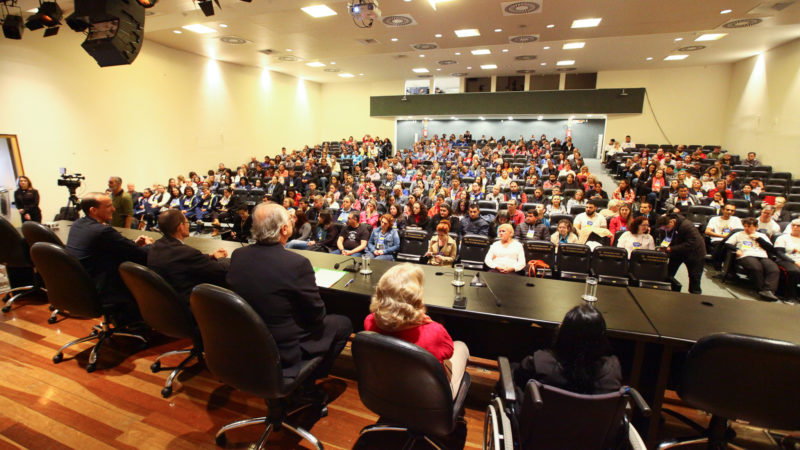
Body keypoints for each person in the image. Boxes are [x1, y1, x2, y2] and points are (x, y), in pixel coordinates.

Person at [226, 203, 352, 395]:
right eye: (289, 219)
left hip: (249, 342)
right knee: (344, 323)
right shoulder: (297, 263)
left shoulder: (238, 255)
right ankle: (306, 380)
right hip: (283, 349)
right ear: (284, 230)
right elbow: (317, 316)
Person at [364, 264, 469, 397]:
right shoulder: (435, 331)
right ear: (415, 299)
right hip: (429, 398)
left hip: (386, 390)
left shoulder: (369, 321)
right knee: (461, 346)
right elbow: (448, 352)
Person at [66, 193, 153, 324]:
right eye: (108, 206)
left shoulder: (78, 224)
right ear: (93, 210)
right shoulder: (103, 231)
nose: (113, 209)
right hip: (102, 288)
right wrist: (150, 245)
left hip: (81, 286)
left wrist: (132, 244)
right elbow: (141, 255)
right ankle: (139, 321)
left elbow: (113, 247)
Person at [512, 305, 621, 395]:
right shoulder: (613, 370)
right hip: (593, 422)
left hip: (543, 421)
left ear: (564, 334)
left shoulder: (538, 363)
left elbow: (516, 380)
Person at [147, 209, 229, 304]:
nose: (188, 225)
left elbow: (188, 260)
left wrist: (210, 256)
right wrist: (221, 258)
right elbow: (220, 272)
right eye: (186, 222)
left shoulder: (156, 246)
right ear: (180, 227)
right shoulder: (186, 253)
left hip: (166, 305)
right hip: (190, 308)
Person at [727, 217, 780, 301]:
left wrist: (758, 239)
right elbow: (727, 244)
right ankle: (762, 289)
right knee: (756, 268)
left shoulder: (762, 236)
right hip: (746, 255)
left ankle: (769, 290)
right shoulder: (738, 234)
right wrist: (736, 250)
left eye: (749, 226)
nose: (746, 228)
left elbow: (770, 248)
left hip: (762, 255)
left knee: (774, 269)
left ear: (756, 227)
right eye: (745, 226)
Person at [654, 214, 706, 294]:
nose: (666, 230)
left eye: (667, 228)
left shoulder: (686, 225)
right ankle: (665, 291)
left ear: (672, 221)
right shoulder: (664, 228)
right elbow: (665, 238)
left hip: (694, 253)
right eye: (663, 229)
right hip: (677, 252)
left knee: (694, 277)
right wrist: (664, 247)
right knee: (668, 273)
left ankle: (695, 295)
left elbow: (692, 243)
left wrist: (671, 248)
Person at [774, 218, 800, 301]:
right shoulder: (783, 238)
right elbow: (779, 253)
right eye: (793, 225)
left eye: (798, 226)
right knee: (794, 271)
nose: (795, 227)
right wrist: (795, 262)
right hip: (785, 260)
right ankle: (790, 295)